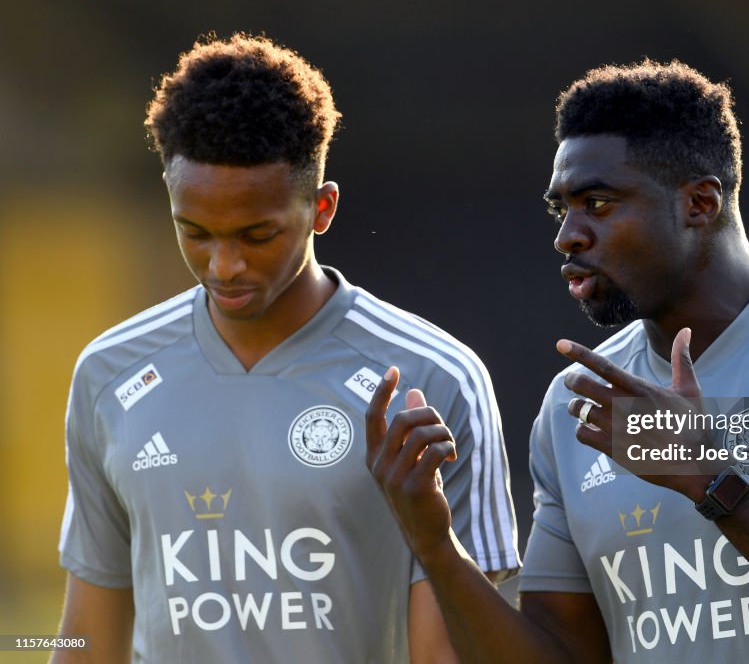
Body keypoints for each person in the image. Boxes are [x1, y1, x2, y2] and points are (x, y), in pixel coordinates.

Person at [365, 59, 749, 662]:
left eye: (598, 202)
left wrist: (710, 478)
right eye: (561, 209)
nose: (567, 235)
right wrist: (436, 546)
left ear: (699, 203)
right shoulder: (575, 405)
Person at [54, 33, 519, 664]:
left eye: (257, 235)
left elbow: (446, 653)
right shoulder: (110, 374)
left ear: (321, 208)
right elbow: (87, 641)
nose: (224, 265)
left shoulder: (432, 378)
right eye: (195, 232)